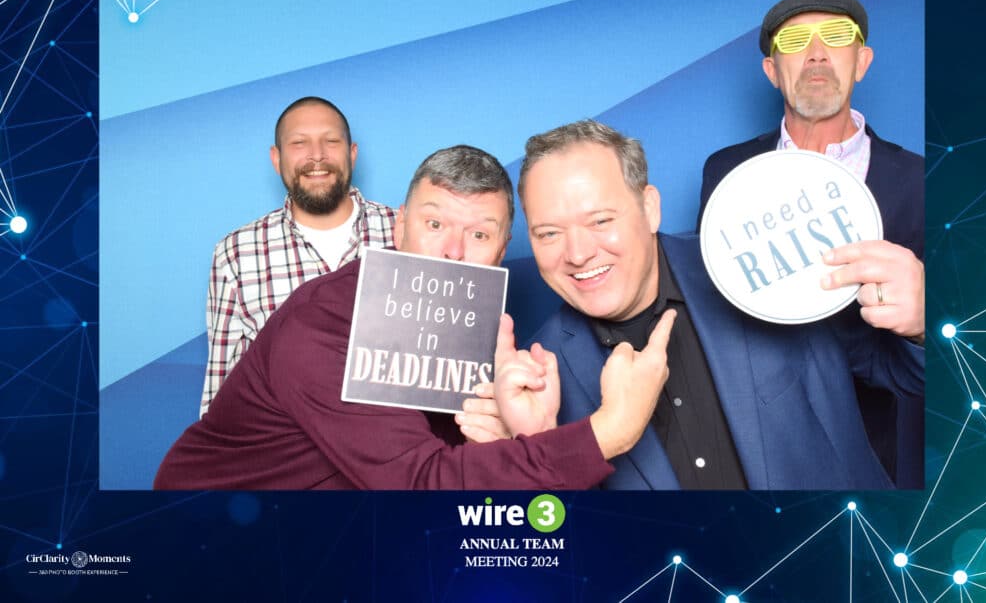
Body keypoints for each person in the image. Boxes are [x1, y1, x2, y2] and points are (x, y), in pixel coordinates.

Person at [155, 145, 675, 490]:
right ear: (399, 227)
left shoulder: (483, 334)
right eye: (434, 223)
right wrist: (611, 430)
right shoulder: (323, 326)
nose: (452, 252)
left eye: (478, 235)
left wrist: (529, 435)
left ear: (500, 251)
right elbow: (421, 486)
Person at [517, 119, 923, 490]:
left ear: (649, 208)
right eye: (549, 233)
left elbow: (907, 376)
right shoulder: (535, 383)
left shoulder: (763, 262)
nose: (577, 252)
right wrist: (526, 454)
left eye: (600, 221)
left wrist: (923, 324)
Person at [695, 0, 925, 487]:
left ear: (861, 62)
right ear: (772, 71)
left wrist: (928, 319)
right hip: (758, 442)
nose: (817, 52)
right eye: (795, 40)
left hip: (879, 445)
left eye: (837, 37)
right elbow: (711, 304)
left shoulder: (921, 181)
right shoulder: (726, 173)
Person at [202, 96, 396, 416]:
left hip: (394, 452)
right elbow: (222, 390)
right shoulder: (236, 254)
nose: (317, 155)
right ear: (276, 159)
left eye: (331, 141)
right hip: (288, 457)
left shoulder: (403, 234)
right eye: (299, 143)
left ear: (352, 154)